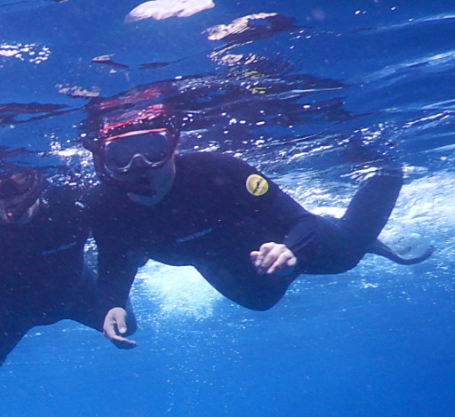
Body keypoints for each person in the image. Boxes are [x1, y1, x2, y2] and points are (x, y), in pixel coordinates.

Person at [86, 102, 430, 349]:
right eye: (120, 157)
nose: (140, 166)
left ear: (174, 146)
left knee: (346, 255)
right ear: (103, 163)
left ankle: (386, 171)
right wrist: (114, 302)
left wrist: (289, 248)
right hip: (222, 261)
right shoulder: (103, 206)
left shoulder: (219, 171)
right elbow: (115, 257)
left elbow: (299, 221)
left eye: (152, 150)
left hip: (282, 240)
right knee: (259, 302)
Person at [0, 166, 109, 407]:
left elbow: (114, 232)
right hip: (17, 306)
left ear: (37, 181)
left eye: (19, 180)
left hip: (79, 290)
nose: (9, 197)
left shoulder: (69, 204)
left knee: (127, 326)